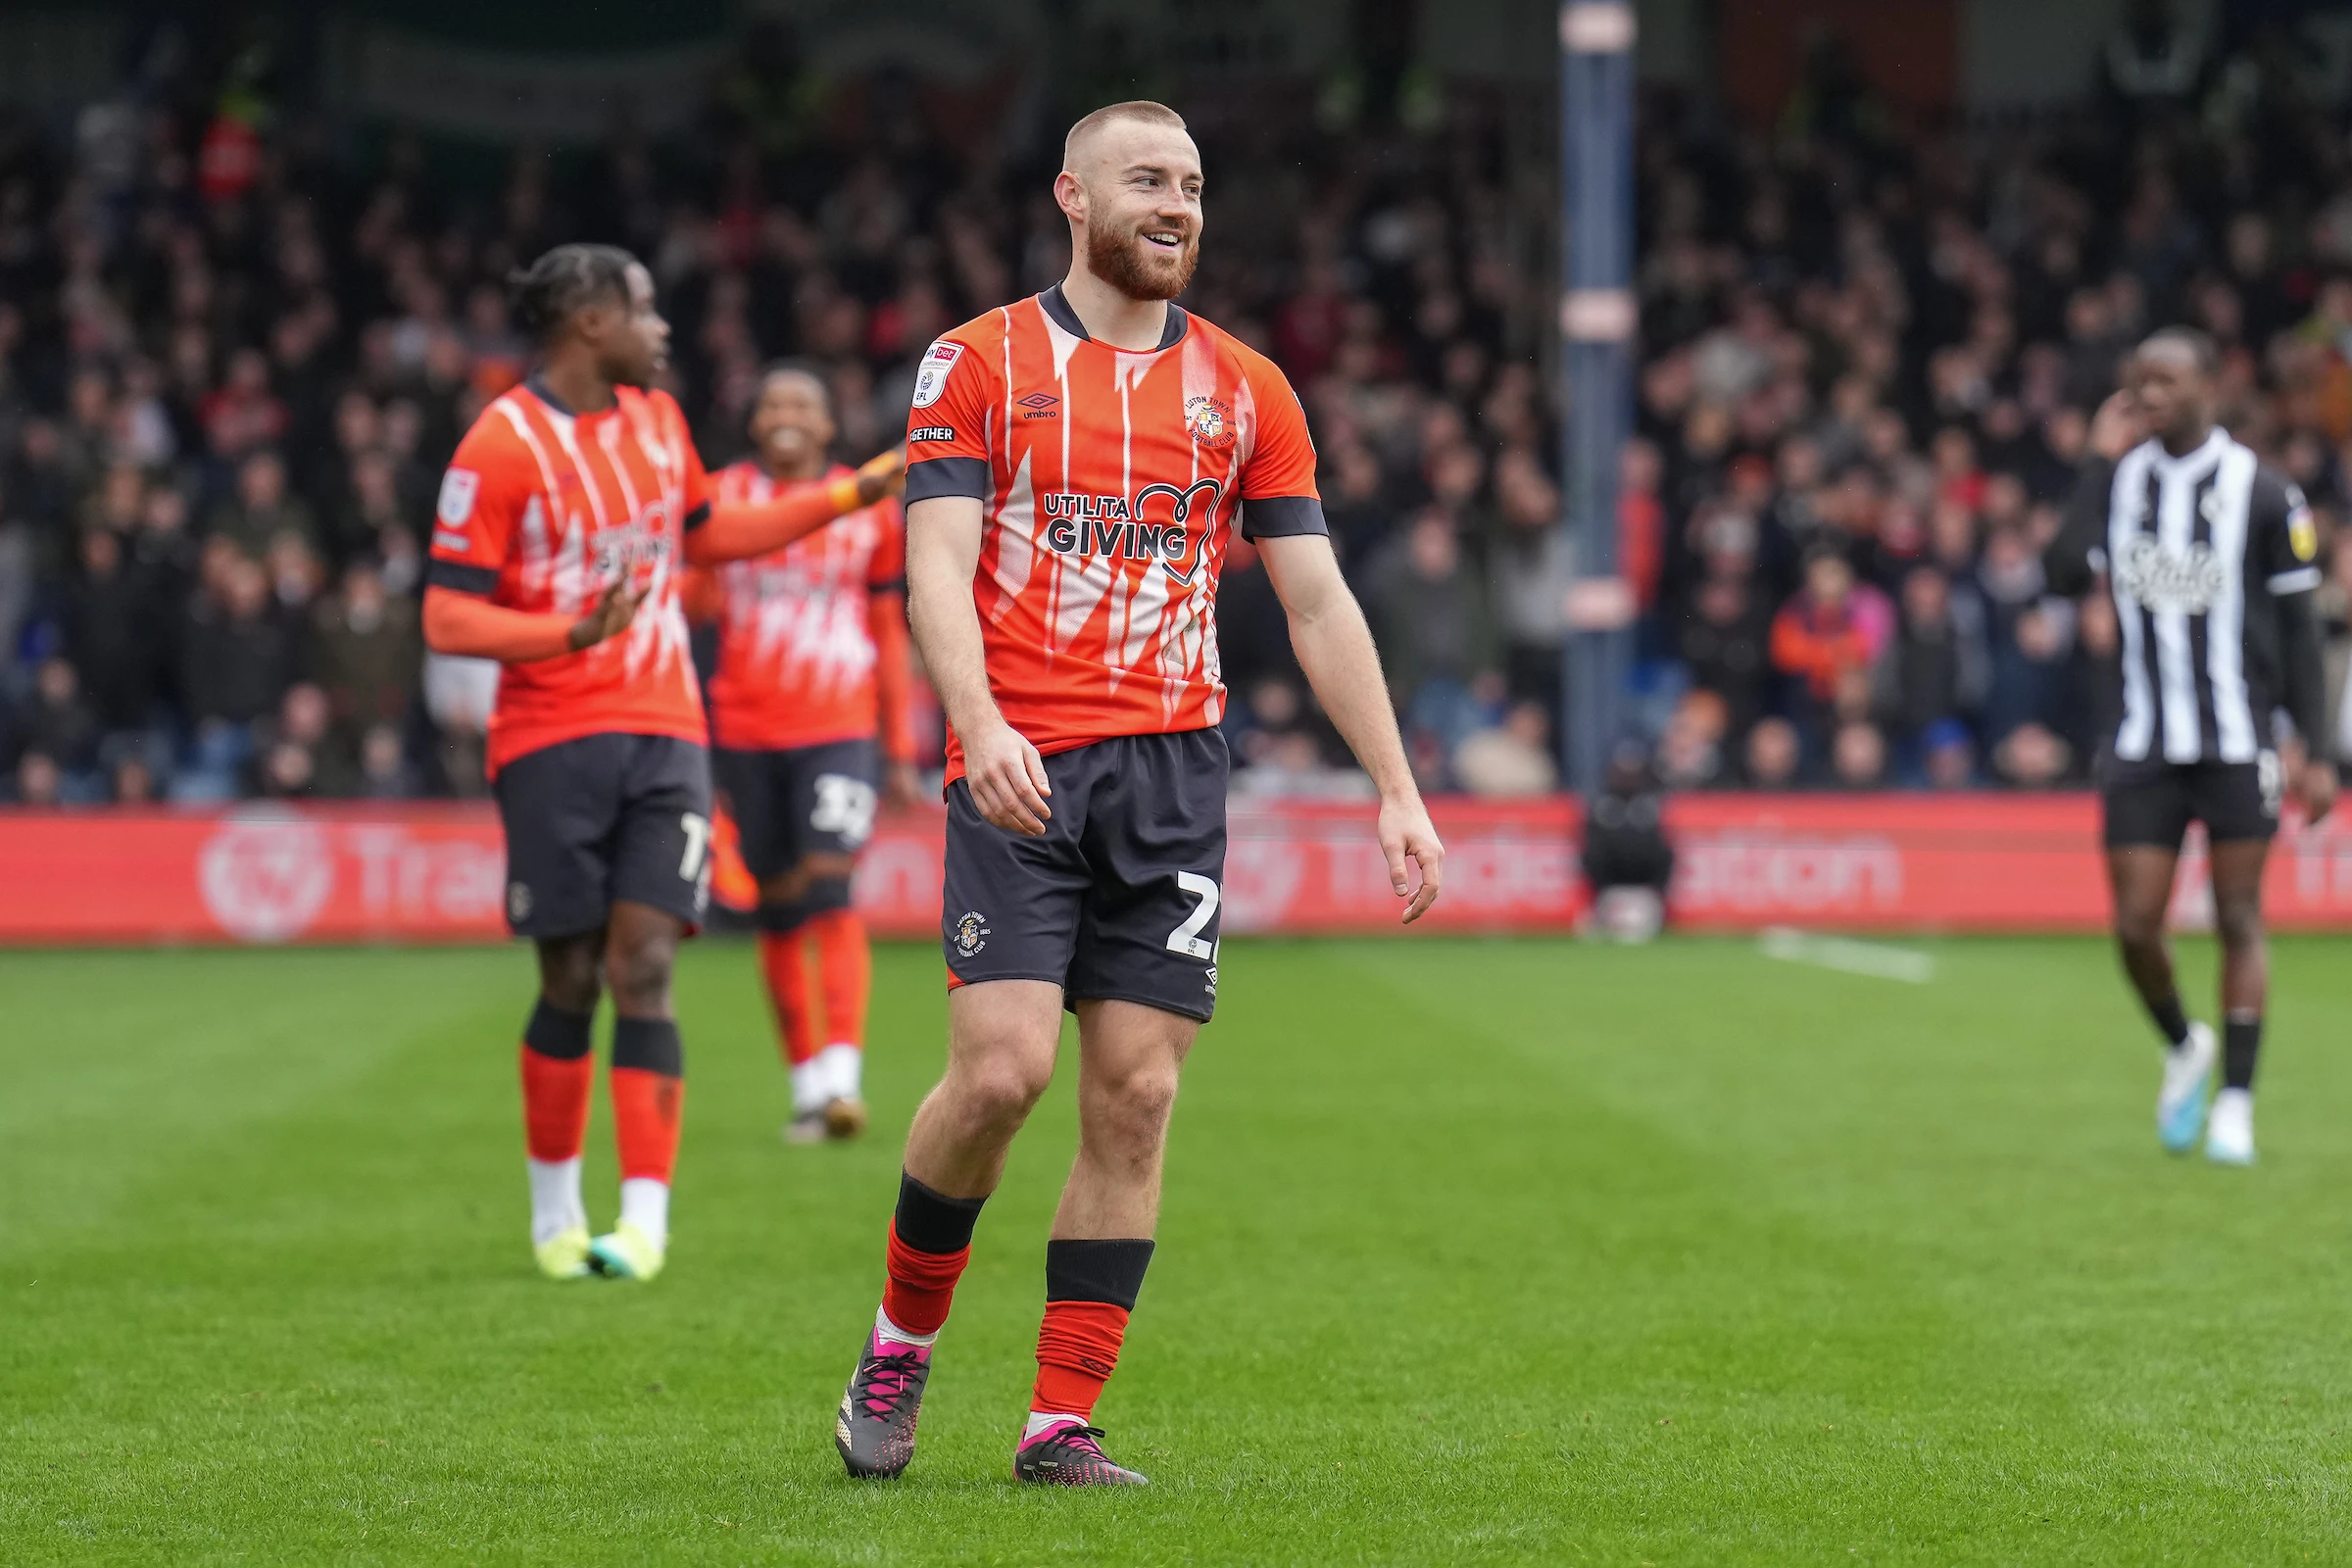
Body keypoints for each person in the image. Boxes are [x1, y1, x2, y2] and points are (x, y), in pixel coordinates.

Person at [830, 101, 1446, 1489]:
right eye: (1146, 181)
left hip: (1174, 770)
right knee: (1002, 1074)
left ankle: (1058, 1423)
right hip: (1021, 760)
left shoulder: (1250, 390)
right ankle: (899, 1345)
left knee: (1137, 1095)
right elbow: (934, 565)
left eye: (1193, 185)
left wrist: (1396, 788)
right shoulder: (974, 362)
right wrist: (975, 718)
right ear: (1072, 195)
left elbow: (1317, 599)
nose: (1176, 205)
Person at [419, 244, 901, 1284]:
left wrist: (852, 492)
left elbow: (711, 535)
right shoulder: (498, 447)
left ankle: (642, 1225)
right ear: (590, 322)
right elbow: (447, 612)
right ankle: (556, 1213)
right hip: (550, 734)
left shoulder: (659, 421)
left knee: (644, 964)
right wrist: (568, 632)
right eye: (643, 308)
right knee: (572, 974)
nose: (663, 326)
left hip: (669, 732)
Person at [2044, 328, 2335, 1165]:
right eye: (2139, 382)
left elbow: (2301, 631)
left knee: (2240, 915)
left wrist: (2314, 748)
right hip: (2143, 740)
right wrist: (2095, 462)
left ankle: (2237, 1102)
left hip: (2239, 741)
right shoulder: (2120, 482)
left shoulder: (2262, 491)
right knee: (2136, 928)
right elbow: (2063, 575)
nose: (2149, 394)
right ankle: (2184, 1046)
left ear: (2211, 385)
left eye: (2167, 380)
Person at [691, 364, 913, 1143]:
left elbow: (889, 631)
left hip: (838, 724)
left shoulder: (872, 510)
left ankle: (844, 1079)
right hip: (746, 728)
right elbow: (691, 597)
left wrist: (901, 743)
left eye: (803, 405)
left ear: (828, 425)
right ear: (754, 423)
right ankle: (808, 1088)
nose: (786, 415)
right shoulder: (717, 499)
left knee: (831, 888)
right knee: (778, 909)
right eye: (773, 402)